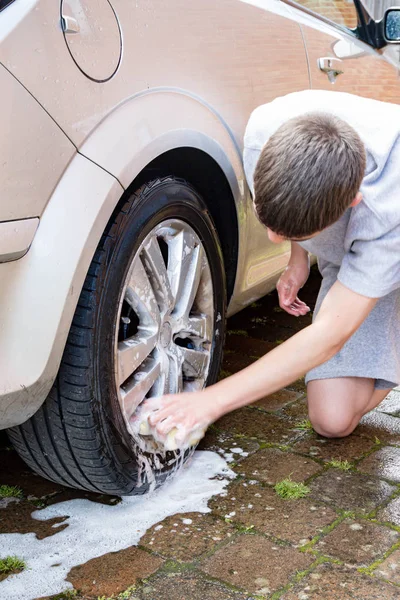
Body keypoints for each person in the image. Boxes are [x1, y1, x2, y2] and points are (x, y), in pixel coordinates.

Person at [145, 90, 400, 448]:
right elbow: (290, 200)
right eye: (266, 219)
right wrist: (297, 261)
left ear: (351, 203)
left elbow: (330, 335)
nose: (272, 237)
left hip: (389, 241)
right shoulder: (264, 137)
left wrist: (210, 401)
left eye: (293, 234)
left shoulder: (387, 213)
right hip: (363, 249)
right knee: (332, 420)